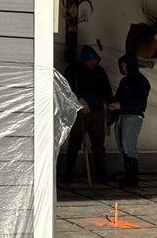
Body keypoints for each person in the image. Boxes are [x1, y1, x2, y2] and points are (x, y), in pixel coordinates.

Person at [60, 45, 113, 182]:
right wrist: (79, 100)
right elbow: (67, 88)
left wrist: (110, 102)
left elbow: (106, 89)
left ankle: (101, 174)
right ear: (83, 60)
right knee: (75, 143)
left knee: (98, 144)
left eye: (95, 60)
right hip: (81, 113)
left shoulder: (100, 71)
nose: (92, 63)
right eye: (90, 60)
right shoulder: (73, 70)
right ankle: (68, 175)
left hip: (98, 111)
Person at [107, 52, 151, 188]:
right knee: (123, 146)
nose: (123, 68)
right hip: (121, 116)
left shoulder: (142, 82)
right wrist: (111, 104)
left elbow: (140, 103)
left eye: (125, 65)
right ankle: (128, 176)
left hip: (132, 117)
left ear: (131, 65)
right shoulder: (124, 81)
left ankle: (132, 178)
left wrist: (121, 105)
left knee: (129, 146)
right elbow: (118, 96)